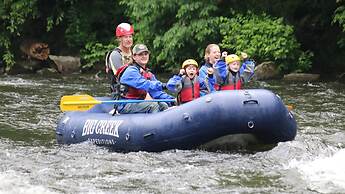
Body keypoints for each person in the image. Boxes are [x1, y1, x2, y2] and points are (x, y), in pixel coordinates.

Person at [116, 44, 175, 114]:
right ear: (134, 57)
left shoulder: (148, 74)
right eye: (140, 54)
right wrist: (164, 85)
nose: (144, 56)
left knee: (163, 104)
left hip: (138, 102)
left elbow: (156, 92)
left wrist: (173, 100)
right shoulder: (130, 71)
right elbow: (145, 84)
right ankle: (154, 124)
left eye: (146, 54)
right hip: (125, 104)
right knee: (153, 105)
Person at [105, 22, 134, 95]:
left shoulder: (134, 53)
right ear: (119, 39)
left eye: (130, 37)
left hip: (136, 90)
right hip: (121, 93)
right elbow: (122, 76)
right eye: (125, 37)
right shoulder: (115, 55)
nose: (128, 39)